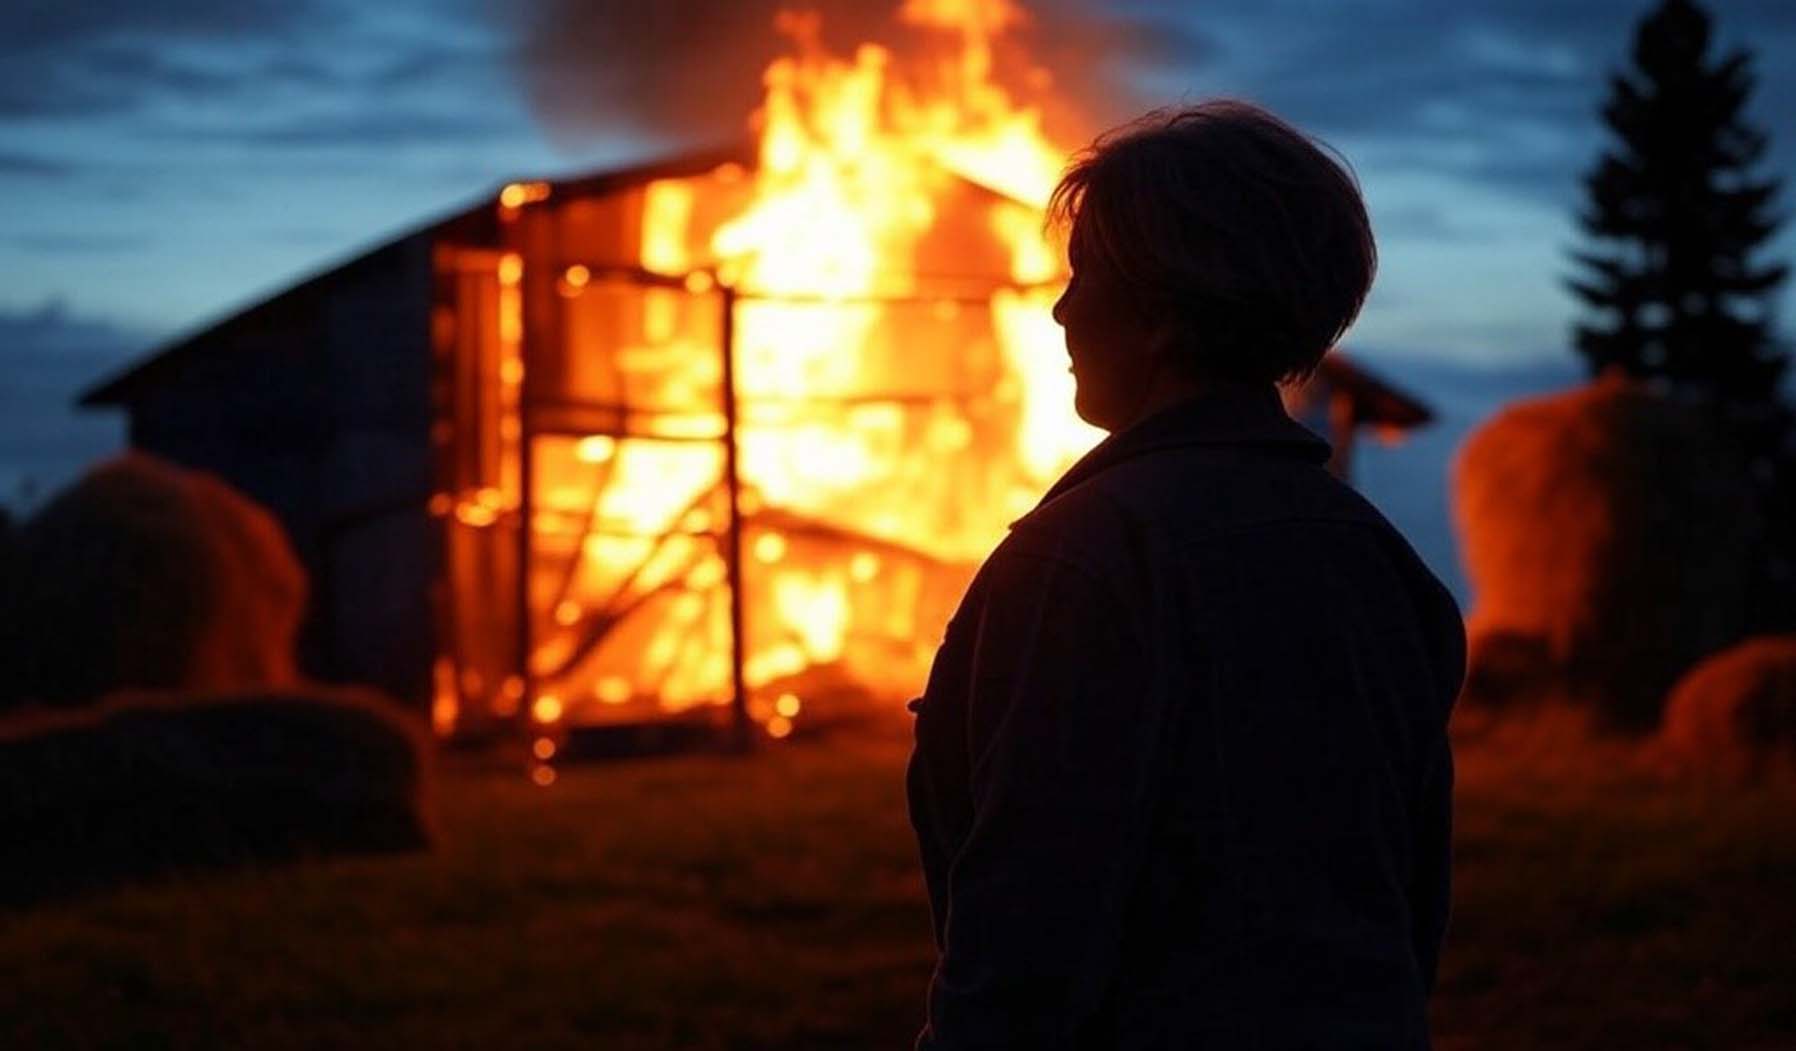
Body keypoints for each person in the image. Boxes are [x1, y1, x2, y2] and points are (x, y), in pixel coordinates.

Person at [906, 101, 1467, 1049]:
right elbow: (1409, 907)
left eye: (1085, 277)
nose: (1060, 308)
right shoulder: (1383, 565)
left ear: (1164, 314)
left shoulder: (1082, 563)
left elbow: (1024, 945)